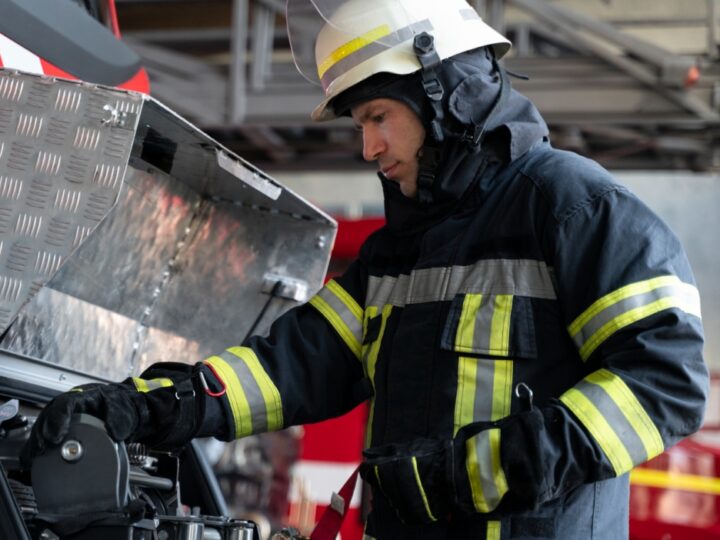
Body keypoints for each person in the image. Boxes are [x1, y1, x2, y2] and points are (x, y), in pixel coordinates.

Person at [25, 0, 708, 538]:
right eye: (360, 123)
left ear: (445, 93)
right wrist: (146, 405)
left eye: (378, 116)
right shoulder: (399, 252)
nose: (368, 145)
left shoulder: (574, 209)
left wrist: (479, 473)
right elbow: (288, 366)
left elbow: (664, 380)